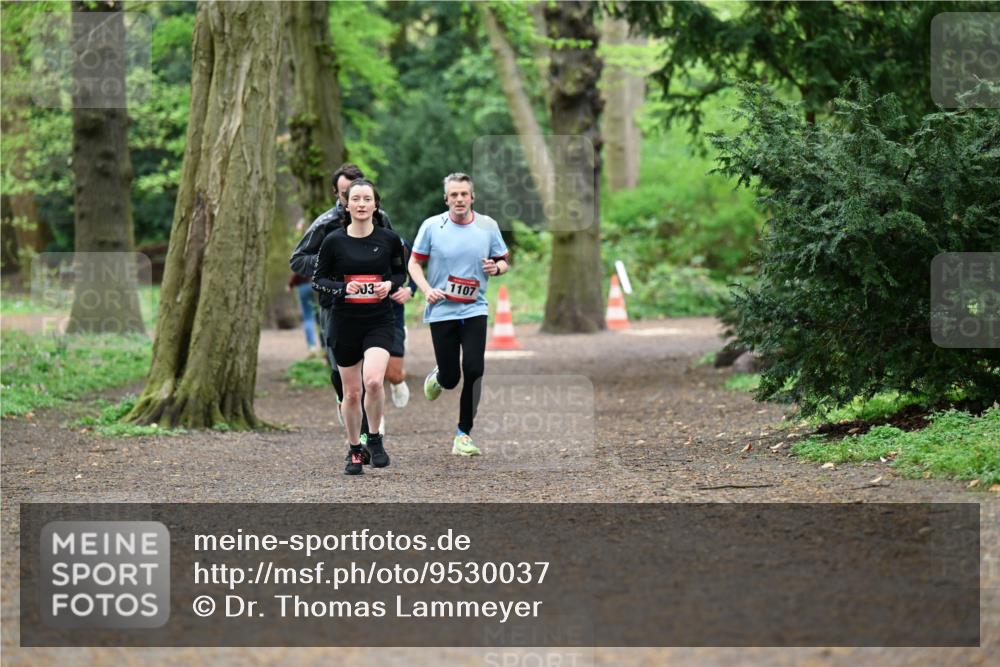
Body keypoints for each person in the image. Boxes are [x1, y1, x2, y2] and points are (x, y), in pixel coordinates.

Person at [408, 172, 510, 456]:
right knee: (452, 377)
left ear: (472, 197)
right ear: (446, 198)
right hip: (442, 310)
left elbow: (503, 260)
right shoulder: (432, 226)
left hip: (475, 307)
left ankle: (463, 434)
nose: (459, 199)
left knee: (475, 370)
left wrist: (496, 268)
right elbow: (414, 263)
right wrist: (427, 289)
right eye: (454, 195)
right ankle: (440, 376)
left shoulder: (488, 226)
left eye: (464, 194)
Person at [290, 164, 395, 438]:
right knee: (341, 369)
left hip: (374, 305)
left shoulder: (380, 218)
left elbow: (397, 257)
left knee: (371, 371)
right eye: (346, 194)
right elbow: (297, 259)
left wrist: (392, 283)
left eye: (361, 194)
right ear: (338, 195)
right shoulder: (325, 223)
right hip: (333, 305)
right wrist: (334, 264)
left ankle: (369, 427)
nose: (356, 200)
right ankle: (348, 407)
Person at [313, 179, 406, 475]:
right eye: (357, 199)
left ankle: (375, 438)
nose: (362, 204)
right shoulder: (333, 241)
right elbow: (319, 280)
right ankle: (355, 449)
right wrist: (344, 288)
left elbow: (400, 273)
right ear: (347, 204)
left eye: (368, 199)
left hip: (379, 320)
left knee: (375, 381)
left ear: (375, 205)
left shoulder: (389, 239)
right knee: (351, 393)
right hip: (344, 323)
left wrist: (390, 284)